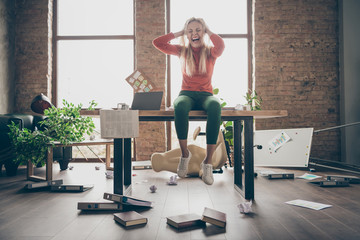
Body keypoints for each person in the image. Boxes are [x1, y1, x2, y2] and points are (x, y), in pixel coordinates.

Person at [153, 17, 225, 185]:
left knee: (215, 105)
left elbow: (221, 46)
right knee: (179, 105)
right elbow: (158, 43)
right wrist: (180, 32)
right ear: (187, 34)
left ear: (204, 32)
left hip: (206, 95)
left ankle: (207, 162)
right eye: (190, 31)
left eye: (198, 30)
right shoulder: (182, 50)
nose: (194, 34)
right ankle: (185, 155)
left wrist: (208, 31)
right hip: (187, 93)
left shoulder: (210, 52)